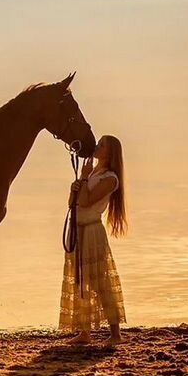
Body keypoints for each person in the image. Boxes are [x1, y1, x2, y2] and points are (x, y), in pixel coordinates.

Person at [59, 134, 128, 346]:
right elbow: (74, 201)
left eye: (101, 145)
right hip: (77, 229)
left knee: (100, 281)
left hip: (91, 231)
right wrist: (79, 182)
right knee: (79, 280)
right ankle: (84, 331)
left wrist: (83, 178)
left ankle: (115, 333)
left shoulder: (110, 179)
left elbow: (87, 201)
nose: (96, 146)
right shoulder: (94, 173)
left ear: (110, 153)